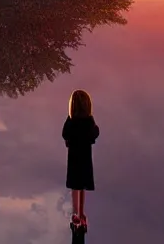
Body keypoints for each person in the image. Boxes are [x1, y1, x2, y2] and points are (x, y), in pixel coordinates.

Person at [62, 89, 99, 231]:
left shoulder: (71, 120)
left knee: (75, 185)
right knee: (83, 185)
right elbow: (94, 133)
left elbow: (65, 134)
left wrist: (69, 141)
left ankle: (75, 213)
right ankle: (81, 213)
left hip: (73, 157)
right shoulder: (89, 120)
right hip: (85, 157)